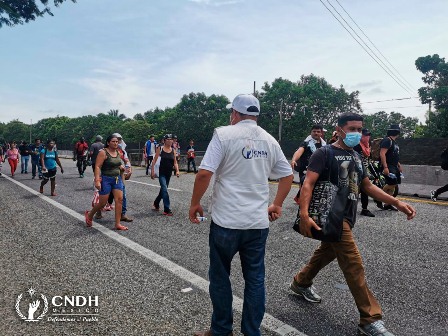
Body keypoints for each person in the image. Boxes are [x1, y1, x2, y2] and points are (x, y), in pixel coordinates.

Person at [291, 112, 416, 336]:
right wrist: (303, 214)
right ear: (338, 130)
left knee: (326, 252)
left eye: (360, 129)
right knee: (354, 265)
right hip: (331, 217)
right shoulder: (324, 152)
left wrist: (396, 202)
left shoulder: (357, 157)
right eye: (352, 129)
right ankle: (369, 319)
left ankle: (301, 282)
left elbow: (367, 186)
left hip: (347, 216)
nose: (357, 133)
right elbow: (308, 183)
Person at [189, 94, 293, 336]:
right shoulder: (269, 140)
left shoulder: (224, 134)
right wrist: (276, 205)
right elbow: (287, 176)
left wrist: (195, 203)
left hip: (226, 221)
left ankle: (221, 330)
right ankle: (251, 332)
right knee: (255, 279)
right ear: (255, 115)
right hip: (257, 223)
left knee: (220, 277)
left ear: (234, 114)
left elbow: (204, 173)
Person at [84, 135, 128, 230]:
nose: (115, 143)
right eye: (113, 141)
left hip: (117, 179)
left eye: (117, 141)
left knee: (119, 200)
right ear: (108, 142)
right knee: (103, 203)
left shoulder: (118, 152)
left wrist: (121, 167)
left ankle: (117, 224)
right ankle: (90, 215)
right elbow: (97, 166)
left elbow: (118, 163)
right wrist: (97, 180)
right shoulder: (103, 152)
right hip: (106, 179)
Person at [291, 125, 325, 204]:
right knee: (305, 184)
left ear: (321, 133)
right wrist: (293, 160)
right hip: (305, 169)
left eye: (318, 132)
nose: (316, 133)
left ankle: (302, 199)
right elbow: (299, 151)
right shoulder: (306, 143)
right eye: (314, 131)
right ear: (311, 132)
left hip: (318, 169)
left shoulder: (324, 145)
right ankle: (303, 201)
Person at [151, 134, 180, 216]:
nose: (170, 141)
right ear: (165, 140)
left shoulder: (173, 150)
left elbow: (175, 162)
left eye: (171, 139)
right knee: (164, 189)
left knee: (163, 190)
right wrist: (152, 171)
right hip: (161, 173)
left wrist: (177, 171)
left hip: (169, 173)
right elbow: (154, 160)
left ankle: (156, 203)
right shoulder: (160, 149)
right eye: (168, 139)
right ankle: (167, 209)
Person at [378, 124, 402, 211]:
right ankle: (378, 197)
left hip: (394, 166)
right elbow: (382, 153)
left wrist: (398, 165)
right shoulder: (387, 140)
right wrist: (385, 167)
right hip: (388, 166)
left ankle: (388, 204)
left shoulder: (394, 142)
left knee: (394, 184)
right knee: (392, 183)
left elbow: (394, 155)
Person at [353, 128, 375, 217]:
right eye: (365, 135)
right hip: (356, 171)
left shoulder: (367, 146)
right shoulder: (357, 145)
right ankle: (349, 209)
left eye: (368, 135)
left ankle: (364, 209)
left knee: (365, 190)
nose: (367, 137)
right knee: (354, 191)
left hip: (364, 170)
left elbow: (367, 159)